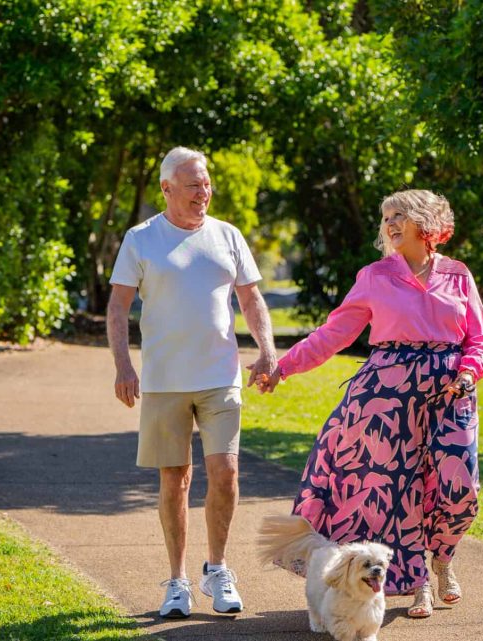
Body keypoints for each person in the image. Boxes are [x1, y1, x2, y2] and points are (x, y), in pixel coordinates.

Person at [259, 189, 483, 618]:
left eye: (399, 215)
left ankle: (443, 556)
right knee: (398, 493)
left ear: (425, 222)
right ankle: (418, 581)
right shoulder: (375, 276)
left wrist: (467, 372)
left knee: (461, 489)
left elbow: (479, 337)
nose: (390, 224)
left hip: (450, 392)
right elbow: (334, 334)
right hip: (384, 397)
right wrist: (284, 367)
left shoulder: (458, 275)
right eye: (385, 217)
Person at [106, 146, 279, 619]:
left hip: (220, 377)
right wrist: (124, 366)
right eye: (192, 185)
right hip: (164, 381)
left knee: (226, 473)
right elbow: (118, 307)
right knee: (175, 480)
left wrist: (266, 349)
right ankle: (177, 580)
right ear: (166, 189)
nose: (203, 192)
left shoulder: (227, 236)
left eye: (206, 184)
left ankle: (217, 569)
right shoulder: (141, 239)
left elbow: (251, 298)